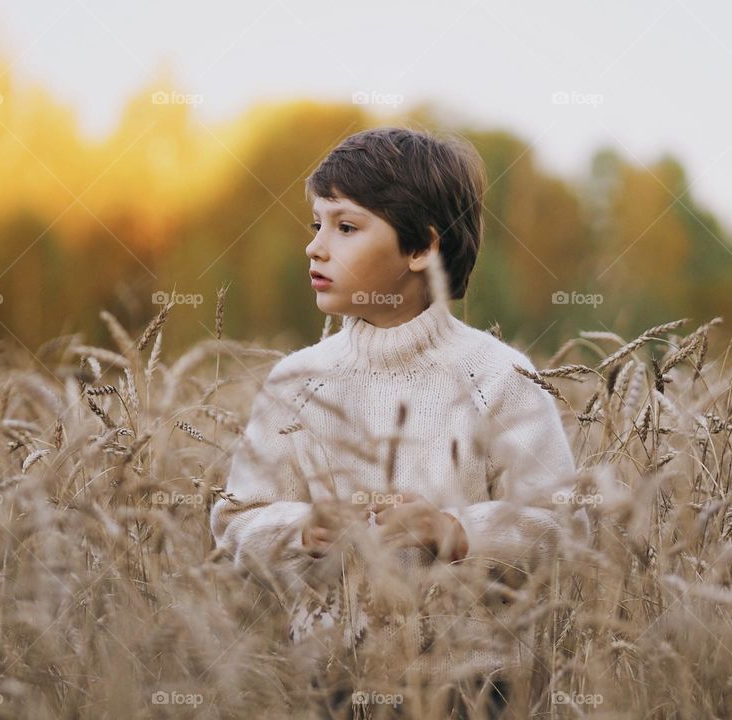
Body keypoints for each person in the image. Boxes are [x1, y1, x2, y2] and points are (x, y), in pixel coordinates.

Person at [210, 127, 585, 715]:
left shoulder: (500, 377)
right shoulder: (296, 381)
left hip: (475, 689)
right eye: (317, 224)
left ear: (421, 248)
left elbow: (565, 526)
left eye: (347, 227)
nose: (316, 246)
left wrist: (456, 531)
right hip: (331, 687)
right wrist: (305, 528)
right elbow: (235, 519)